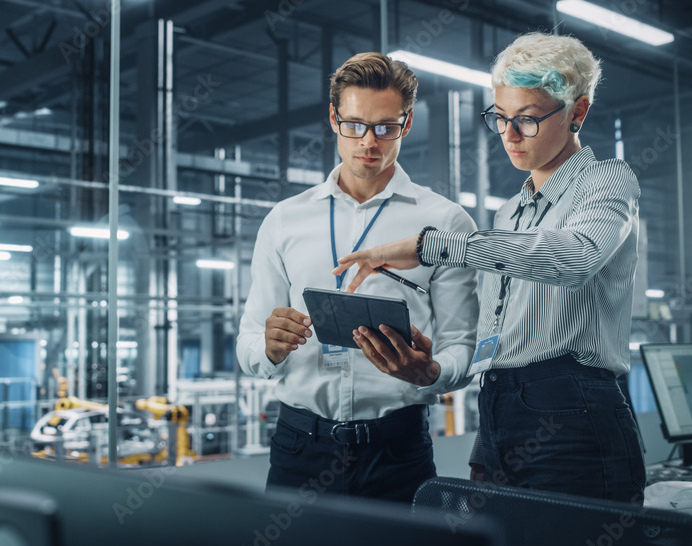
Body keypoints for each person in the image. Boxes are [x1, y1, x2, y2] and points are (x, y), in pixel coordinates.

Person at [333, 33, 645, 503]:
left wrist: (433, 246)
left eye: (527, 119)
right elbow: (503, 329)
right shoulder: (510, 213)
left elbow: (575, 257)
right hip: (500, 407)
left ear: (577, 112)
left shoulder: (607, 182)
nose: (509, 134)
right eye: (499, 117)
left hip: (573, 412)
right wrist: (431, 356)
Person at [236, 52, 479, 504]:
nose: (369, 141)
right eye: (355, 125)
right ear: (334, 118)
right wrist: (267, 348)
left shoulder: (445, 223)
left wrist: (430, 371)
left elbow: (463, 346)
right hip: (299, 448)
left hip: (397, 451)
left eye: (386, 127)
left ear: (406, 124)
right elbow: (248, 342)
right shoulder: (285, 220)